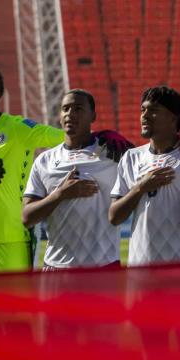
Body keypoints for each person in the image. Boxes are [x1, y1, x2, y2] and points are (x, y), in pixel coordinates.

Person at [0, 64, 133, 273]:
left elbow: (65, 136)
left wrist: (102, 136)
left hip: (11, 241)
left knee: (13, 307)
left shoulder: (18, 128)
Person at [21, 90, 121, 270]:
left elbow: (147, 160)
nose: (70, 114)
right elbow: (26, 217)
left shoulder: (112, 154)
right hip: (56, 267)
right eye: (65, 109)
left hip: (104, 267)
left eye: (78, 109)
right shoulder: (45, 160)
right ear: (60, 116)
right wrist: (59, 194)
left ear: (93, 116)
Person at [109, 86, 180, 265]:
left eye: (153, 111)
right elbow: (114, 217)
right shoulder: (131, 157)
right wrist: (140, 187)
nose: (145, 116)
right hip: (139, 270)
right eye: (143, 110)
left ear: (173, 118)